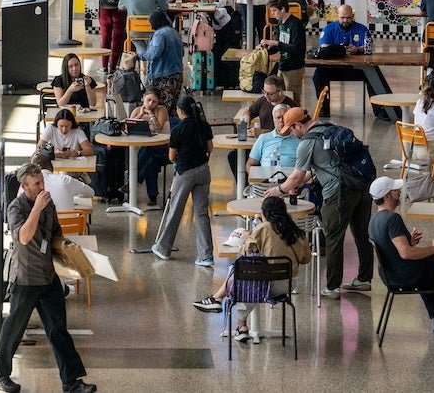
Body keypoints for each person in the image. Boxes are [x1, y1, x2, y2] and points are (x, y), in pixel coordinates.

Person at [0, 162, 96, 393]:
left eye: (42, 182)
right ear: (25, 187)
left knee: (58, 330)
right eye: (37, 184)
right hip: (26, 278)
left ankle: (71, 382)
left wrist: (71, 255)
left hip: (48, 277)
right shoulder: (16, 208)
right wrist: (36, 208)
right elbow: (24, 238)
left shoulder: (48, 204)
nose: (42, 186)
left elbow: (56, 234)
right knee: (14, 328)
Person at [277, 107, 374, 297]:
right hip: (362, 185)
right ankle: (364, 278)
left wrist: (279, 190)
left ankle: (332, 287)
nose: (291, 134)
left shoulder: (307, 143)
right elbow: (325, 165)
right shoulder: (330, 127)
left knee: (333, 237)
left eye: (291, 130)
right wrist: (303, 181)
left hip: (338, 192)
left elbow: (296, 177)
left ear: (298, 125)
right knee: (361, 233)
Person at [193, 193, 312, 343]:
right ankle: (239, 325)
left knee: (244, 276)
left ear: (266, 213)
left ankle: (222, 303)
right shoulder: (297, 231)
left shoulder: (264, 227)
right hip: (287, 285)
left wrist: (249, 235)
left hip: (266, 283)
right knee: (249, 278)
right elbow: (306, 259)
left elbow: (245, 251)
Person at [366, 176, 434, 322]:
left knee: (428, 266)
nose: (400, 193)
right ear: (387, 196)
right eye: (396, 191)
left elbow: (393, 248)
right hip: (403, 276)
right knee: (433, 264)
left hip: (388, 275)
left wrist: (410, 242)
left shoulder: (374, 220)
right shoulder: (392, 219)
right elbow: (406, 253)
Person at [148, 93, 214, 267]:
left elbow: (171, 156)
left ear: (179, 110)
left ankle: (163, 248)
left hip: (185, 173)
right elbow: (210, 148)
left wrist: (178, 162)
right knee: (201, 214)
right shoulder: (204, 125)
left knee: (175, 210)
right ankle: (206, 255)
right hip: (204, 171)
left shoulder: (178, 130)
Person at [136, 8, 186, 110]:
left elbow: (154, 54)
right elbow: (182, 52)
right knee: (173, 107)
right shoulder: (175, 33)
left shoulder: (160, 34)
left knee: (161, 109)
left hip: (163, 76)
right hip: (177, 74)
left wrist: (140, 56)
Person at [246, 104, 304, 178]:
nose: (281, 121)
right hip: (265, 181)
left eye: (284, 117)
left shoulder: (299, 139)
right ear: (273, 120)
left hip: (290, 183)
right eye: (278, 117)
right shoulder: (263, 138)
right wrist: (256, 178)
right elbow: (250, 164)